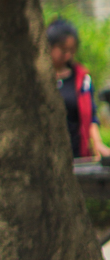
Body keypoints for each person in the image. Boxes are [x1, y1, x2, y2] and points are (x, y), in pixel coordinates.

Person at [47, 18, 110, 160]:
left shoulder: (82, 79)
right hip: (48, 155)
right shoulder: (39, 79)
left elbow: (91, 117)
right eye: (63, 50)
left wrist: (98, 145)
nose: (68, 55)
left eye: (71, 50)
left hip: (77, 153)